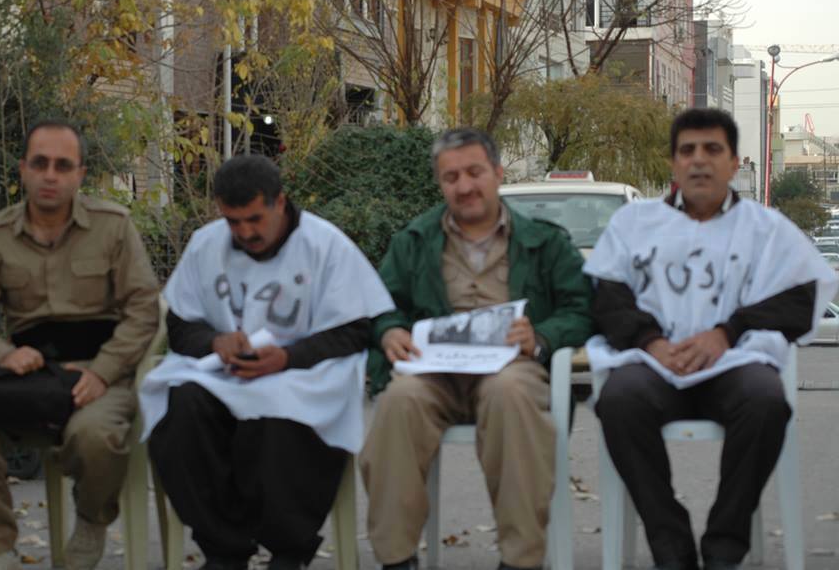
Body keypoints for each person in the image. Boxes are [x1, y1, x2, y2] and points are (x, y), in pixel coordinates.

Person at [585, 108, 838, 570]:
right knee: (619, 399)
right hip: (655, 365)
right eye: (688, 150)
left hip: (735, 364)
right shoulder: (634, 224)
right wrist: (651, 341)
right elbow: (606, 295)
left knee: (765, 400)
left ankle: (725, 544)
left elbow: (800, 298)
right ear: (673, 162)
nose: (699, 160)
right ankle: (670, 543)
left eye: (712, 149)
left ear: (734, 162)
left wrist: (727, 333)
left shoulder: (767, 229)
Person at [140, 155, 394, 570]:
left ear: (280, 202)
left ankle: (289, 550)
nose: (245, 232)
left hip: (304, 373)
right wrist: (214, 341)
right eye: (233, 222)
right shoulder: (206, 244)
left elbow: (354, 329)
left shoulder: (325, 245)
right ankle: (223, 549)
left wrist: (289, 357)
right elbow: (181, 324)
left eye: (255, 219)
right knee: (180, 407)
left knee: (280, 414)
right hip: (224, 374)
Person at [360, 128, 593, 570]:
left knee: (511, 394)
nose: (464, 186)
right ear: (440, 183)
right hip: (433, 374)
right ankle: (397, 559)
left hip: (511, 369)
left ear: (498, 173)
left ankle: (520, 560)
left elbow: (582, 309)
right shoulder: (414, 240)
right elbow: (380, 306)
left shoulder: (544, 242)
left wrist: (542, 336)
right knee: (399, 401)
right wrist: (389, 331)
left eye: (474, 172)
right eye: (451, 177)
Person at [0, 120, 161, 570]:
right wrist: (3, 354)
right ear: (23, 169)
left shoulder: (113, 227)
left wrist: (103, 371)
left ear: (80, 173)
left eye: (63, 165)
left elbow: (143, 309)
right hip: (24, 372)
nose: (50, 175)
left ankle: (92, 518)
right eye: (40, 164)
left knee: (96, 435)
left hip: (97, 372)